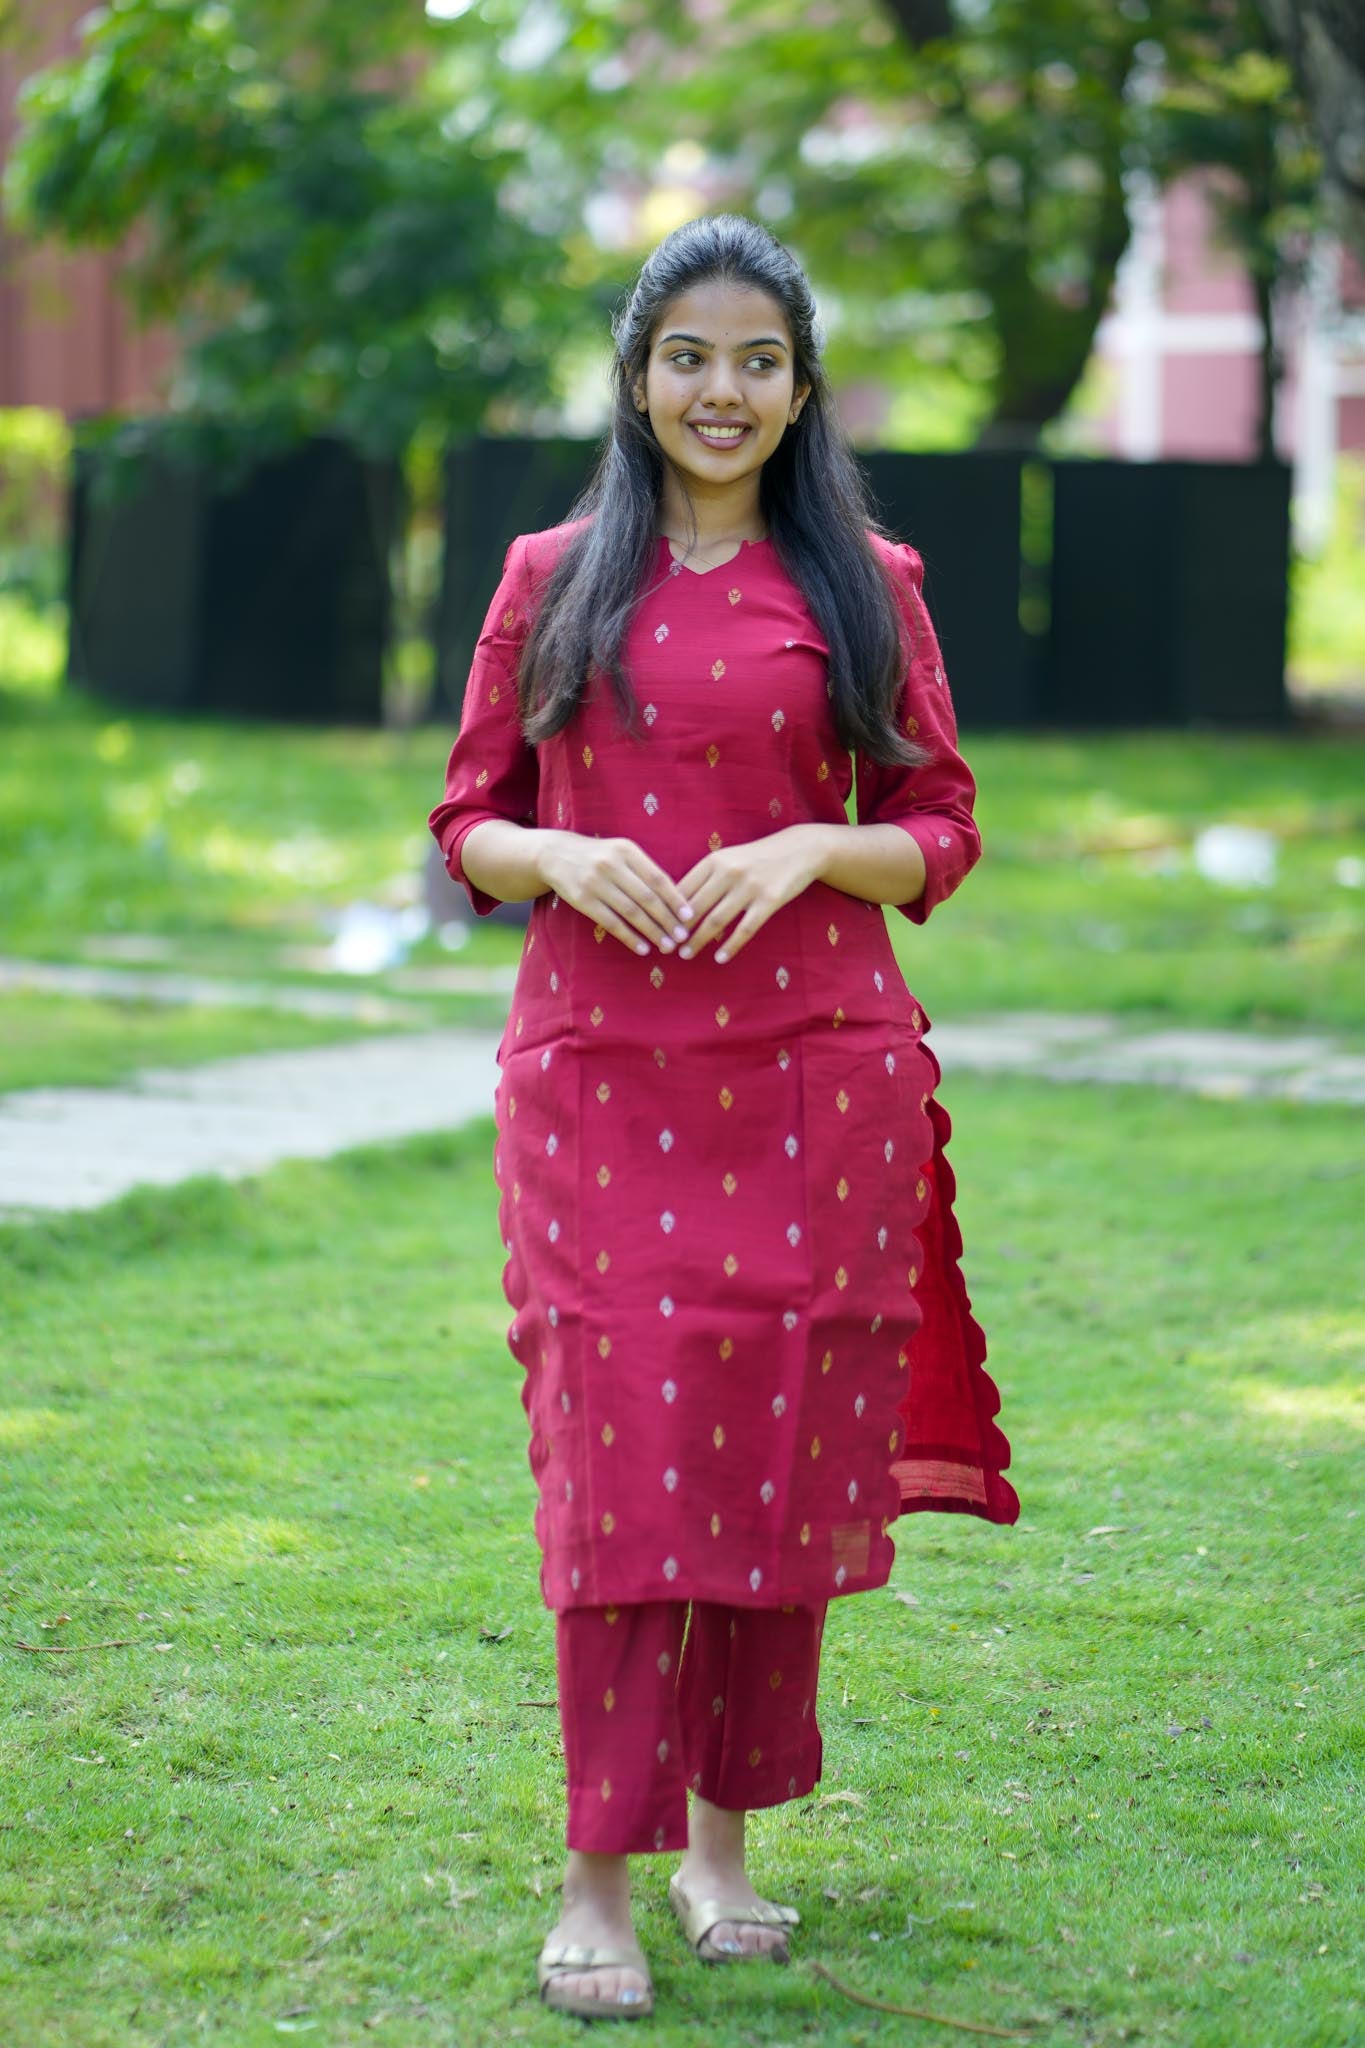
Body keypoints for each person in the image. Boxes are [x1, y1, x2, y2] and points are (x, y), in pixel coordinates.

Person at [427, 212, 1019, 2024]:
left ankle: (722, 1851)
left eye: (757, 358)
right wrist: (561, 851)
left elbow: (940, 819)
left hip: (812, 1075)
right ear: (636, 370)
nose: (722, 389)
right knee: (613, 1469)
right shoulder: (549, 572)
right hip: (599, 1077)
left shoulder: (866, 580)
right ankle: (595, 1877)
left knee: (769, 1462)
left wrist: (806, 845)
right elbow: (464, 823)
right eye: (690, 354)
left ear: (799, 381)